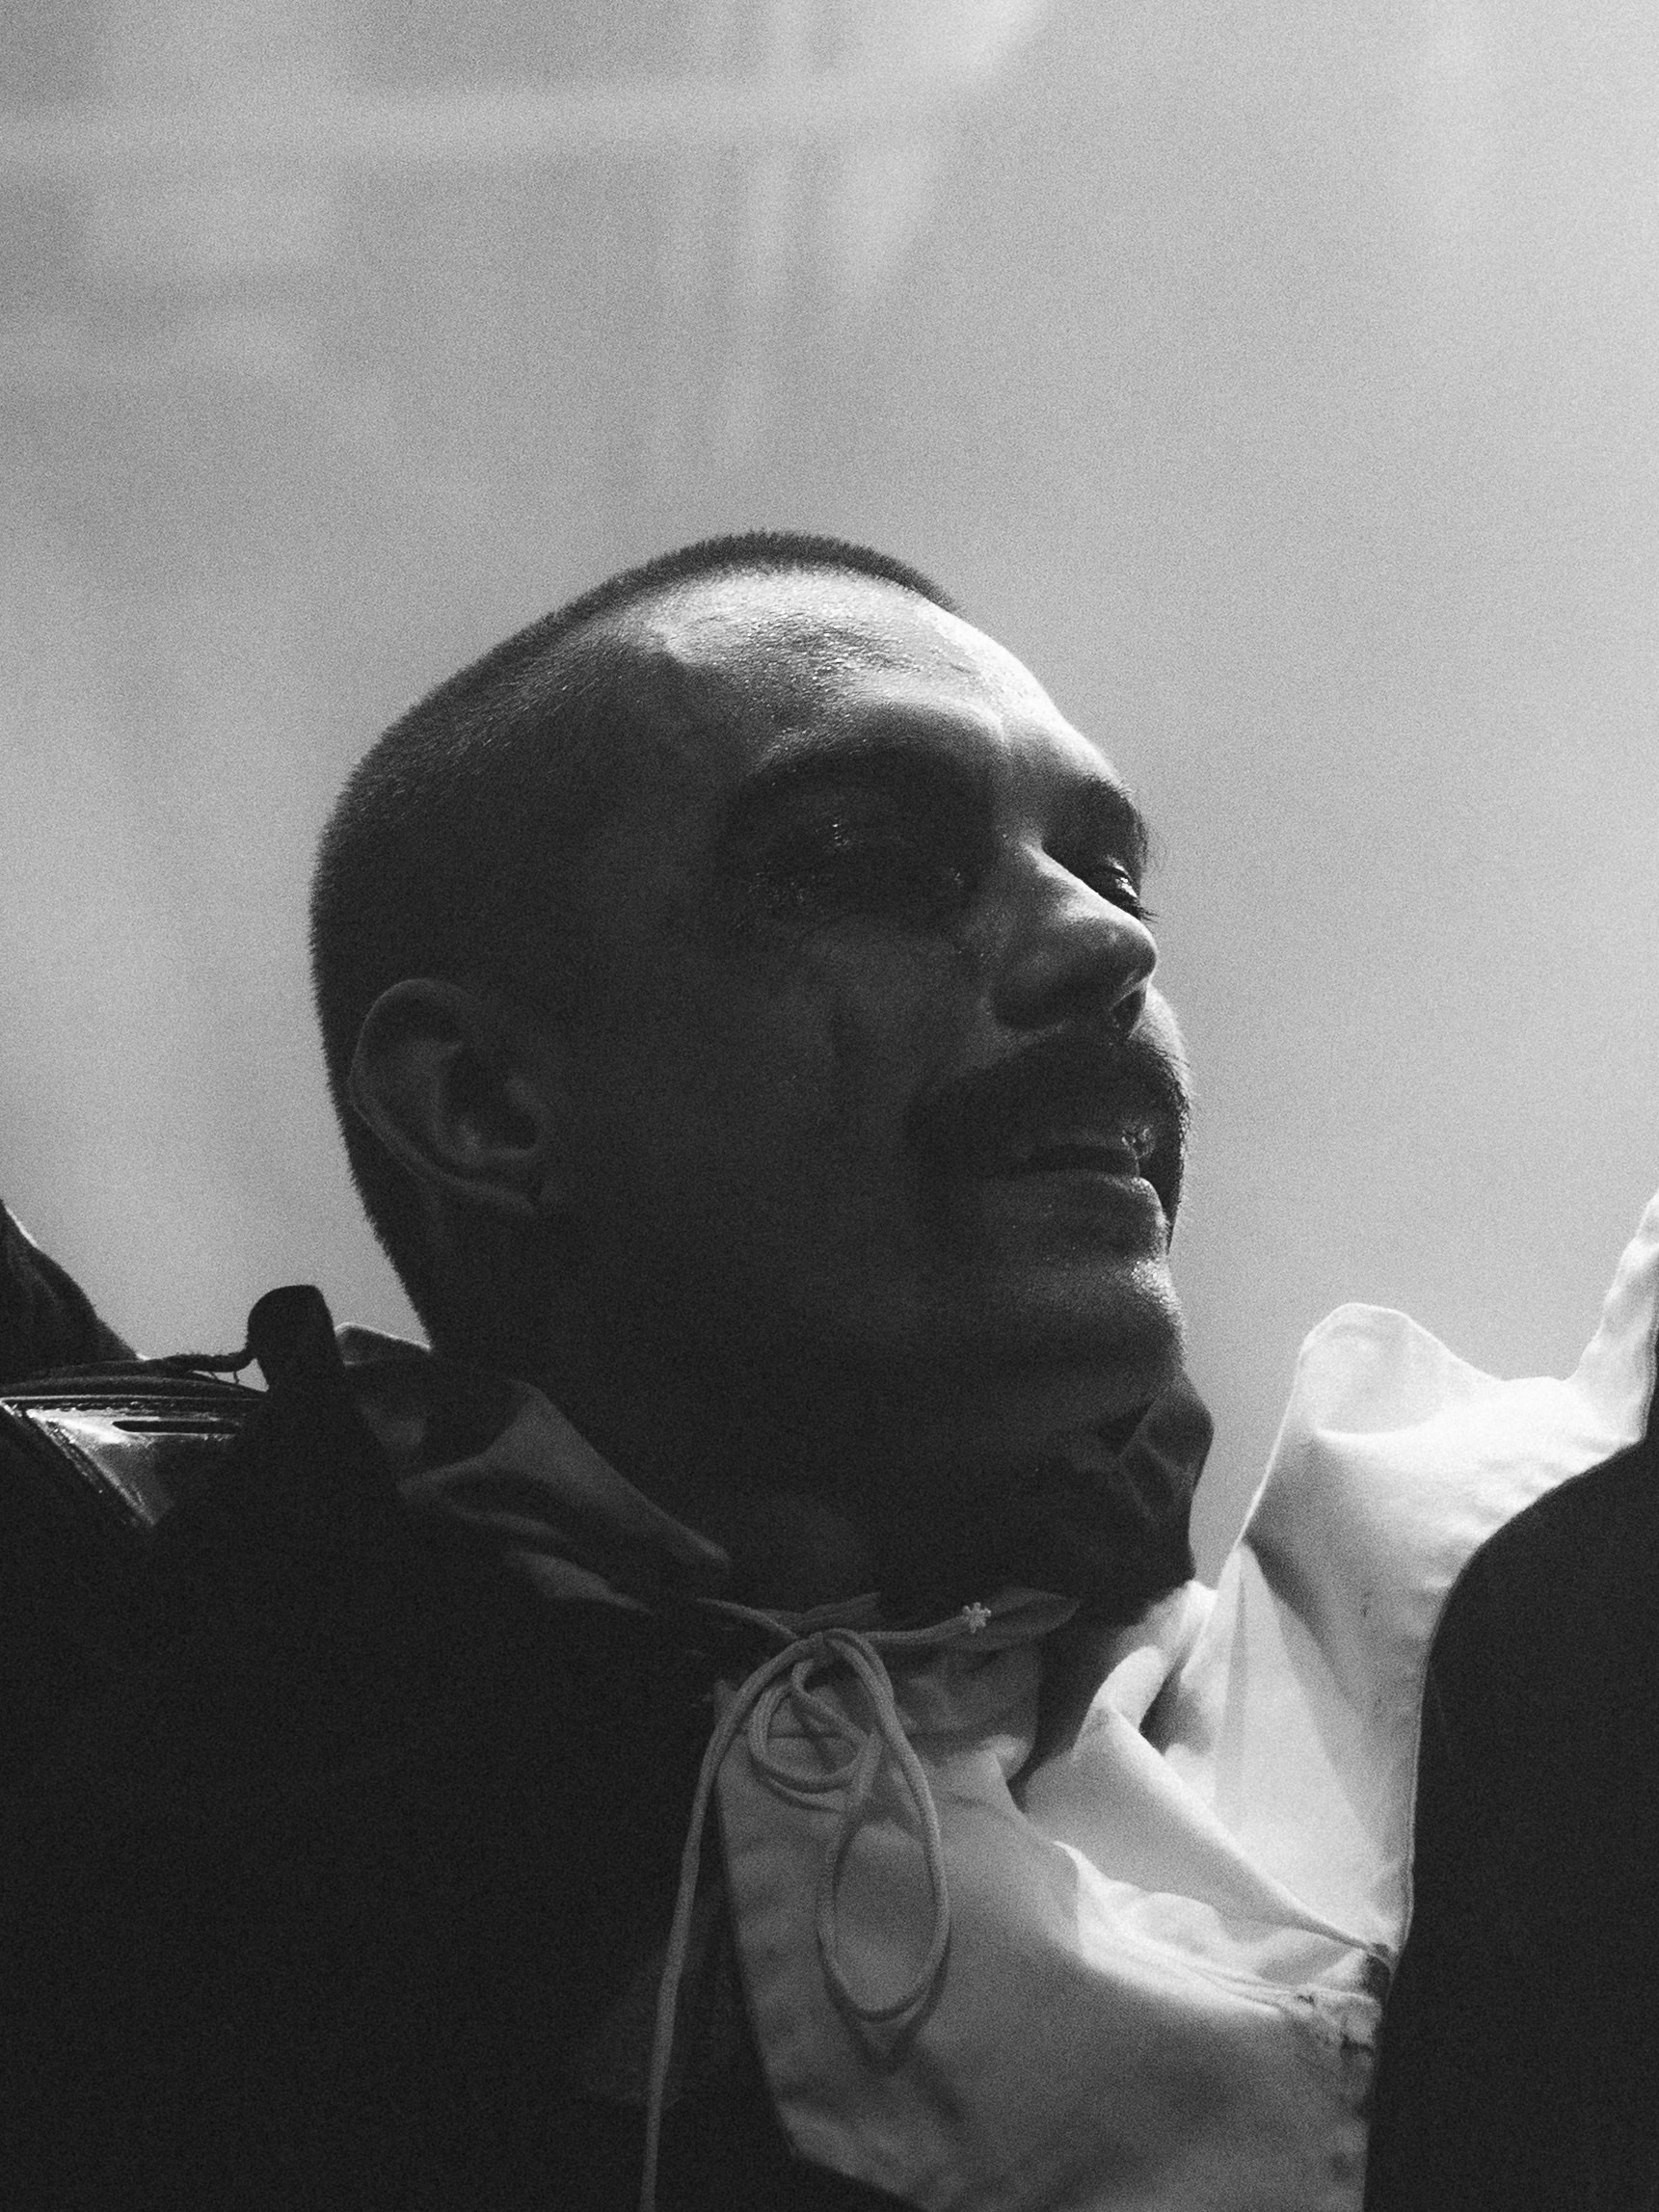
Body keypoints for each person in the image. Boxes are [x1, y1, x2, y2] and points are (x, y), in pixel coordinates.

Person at [1, 532, 1654, 2210]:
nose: (1105, 943)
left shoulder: (1473, 1673)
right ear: (487, 1105)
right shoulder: (128, 1677)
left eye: (1109, 870)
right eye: (863, 859)